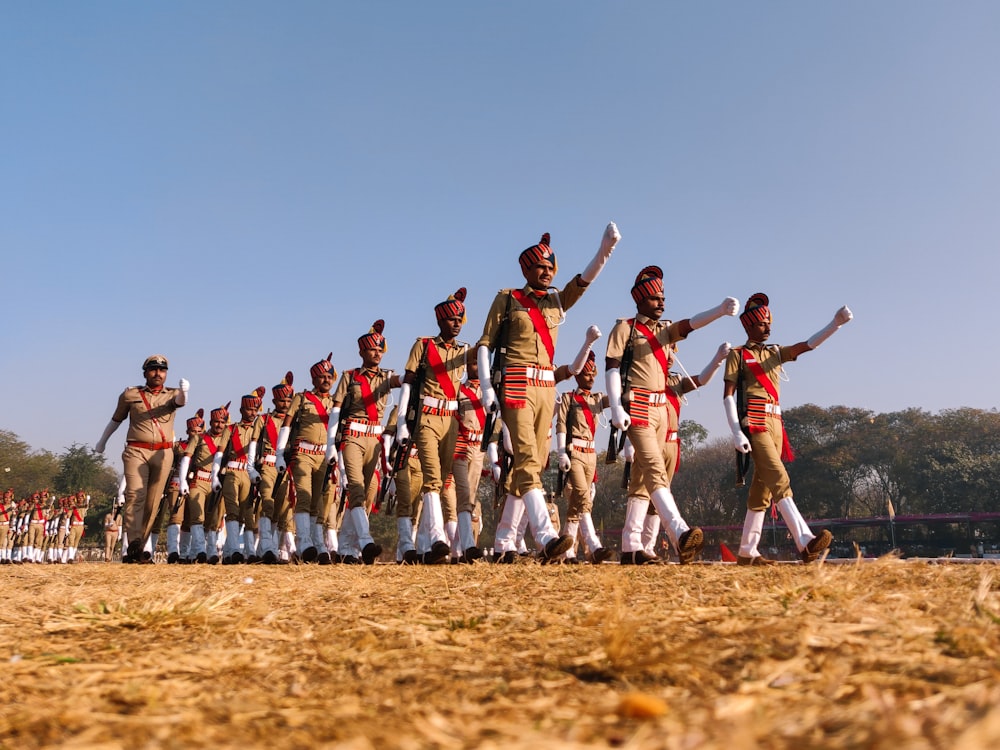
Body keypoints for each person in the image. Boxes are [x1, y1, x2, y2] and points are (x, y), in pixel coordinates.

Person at [477, 224, 621, 563]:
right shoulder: (508, 298)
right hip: (515, 382)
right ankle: (546, 536)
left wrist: (605, 249)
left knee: (534, 465)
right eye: (539, 267)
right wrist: (486, 387)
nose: (546, 272)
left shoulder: (558, 301)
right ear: (525, 270)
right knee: (527, 457)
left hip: (546, 388)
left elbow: (583, 281)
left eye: (550, 267)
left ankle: (503, 542)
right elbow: (486, 344)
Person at [606, 266, 738, 564]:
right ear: (639, 300)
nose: (661, 302)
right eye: (654, 298)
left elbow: (690, 324)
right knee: (653, 468)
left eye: (662, 297)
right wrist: (615, 406)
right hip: (637, 404)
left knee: (643, 480)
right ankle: (679, 532)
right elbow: (612, 367)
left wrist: (718, 311)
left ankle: (631, 546)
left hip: (662, 409)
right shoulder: (624, 328)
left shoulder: (664, 330)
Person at [723, 293, 853, 564]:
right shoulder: (738, 355)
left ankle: (747, 550)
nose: (768, 327)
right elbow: (728, 395)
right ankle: (804, 541)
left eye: (769, 322)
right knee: (779, 478)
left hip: (776, 423)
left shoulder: (775, 352)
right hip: (755, 422)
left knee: (762, 490)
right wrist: (736, 431)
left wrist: (835, 324)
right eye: (761, 323)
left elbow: (806, 346)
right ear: (748, 326)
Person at [396, 290, 469, 565]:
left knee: (443, 480)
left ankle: (426, 545)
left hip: (450, 419)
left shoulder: (463, 350)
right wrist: (402, 421)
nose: (456, 323)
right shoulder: (424, 346)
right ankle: (438, 538)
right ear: (440, 321)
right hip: (426, 417)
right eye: (451, 319)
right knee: (432, 478)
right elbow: (408, 381)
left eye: (460, 318)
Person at [95, 354, 189, 562]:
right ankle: (134, 541)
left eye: (162, 370)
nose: (158, 374)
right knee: (135, 495)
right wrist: (102, 442)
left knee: (153, 502)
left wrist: (185, 392)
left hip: (163, 453)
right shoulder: (131, 395)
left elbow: (180, 402)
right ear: (145, 372)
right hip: (136, 450)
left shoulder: (172, 393)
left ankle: (138, 548)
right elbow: (116, 419)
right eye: (153, 370)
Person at [327, 322, 402, 565]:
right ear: (361, 352)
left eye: (380, 349)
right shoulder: (350, 377)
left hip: (375, 439)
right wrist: (331, 445)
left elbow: (402, 380)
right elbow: (336, 410)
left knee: (368, 494)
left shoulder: (386, 376)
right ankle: (366, 541)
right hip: (352, 436)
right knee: (356, 489)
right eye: (372, 349)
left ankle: (348, 548)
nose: (377, 353)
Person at [276, 354, 339, 564]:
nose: (326, 380)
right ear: (313, 379)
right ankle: (304, 542)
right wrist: (279, 453)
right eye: (322, 376)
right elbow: (286, 423)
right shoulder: (301, 398)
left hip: (324, 454)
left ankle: (317, 543)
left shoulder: (335, 402)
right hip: (303, 452)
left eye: (329, 376)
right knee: (304, 495)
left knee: (318, 502)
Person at [555, 345, 614, 564]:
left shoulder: (598, 398)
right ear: (577, 375)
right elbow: (560, 425)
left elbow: (617, 399)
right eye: (586, 373)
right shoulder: (568, 398)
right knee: (582, 497)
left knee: (574, 508)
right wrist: (561, 452)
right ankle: (594, 545)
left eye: (593, 374)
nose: (590, 378)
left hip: (591, 454)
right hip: (575, 453)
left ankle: (565, 552)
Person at [215, 388, 265, 564]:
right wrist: (215, 475)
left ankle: (250, 551)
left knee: (248, 512)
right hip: (232, 472)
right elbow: (220, 452)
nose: (253, 413)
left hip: (249, 473)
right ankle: (234, 550)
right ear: (241, 410)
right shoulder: (231, 428)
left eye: (255, 410)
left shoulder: (259, 428)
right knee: (233, 510)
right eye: (249, 409)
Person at [176, 406, 224, 563]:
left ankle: (211, 551)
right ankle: (199, 550)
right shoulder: (199, 438)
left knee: (213, 520)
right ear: (210, 422)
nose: (219, 425)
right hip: (199, 481)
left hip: (216, 483)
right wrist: (183, 480)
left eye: (222, 422)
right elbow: (186, 458)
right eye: (216, 422)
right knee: (198, 517)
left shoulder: (226, 438)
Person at [257, 372, 295, 564]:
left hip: (286, 467)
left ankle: (279, 549)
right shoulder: (264, 420)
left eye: (289, 400)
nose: (285, 403)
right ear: (274, 400)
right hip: (267, 464)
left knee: (282, 508)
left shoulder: (295, 421)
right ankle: (266, 546)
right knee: (267, 502)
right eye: (281, 400)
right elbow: (254, 444)